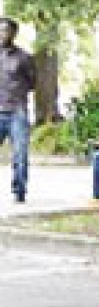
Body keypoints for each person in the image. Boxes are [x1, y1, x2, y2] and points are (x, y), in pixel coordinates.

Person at [0, 17, 36, 204]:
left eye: (6, 30)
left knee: (20, 154)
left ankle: (19, 190)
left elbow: (32, 83)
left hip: (16, 112)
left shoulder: (24, 57)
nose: (2, 34)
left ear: (14, 33)